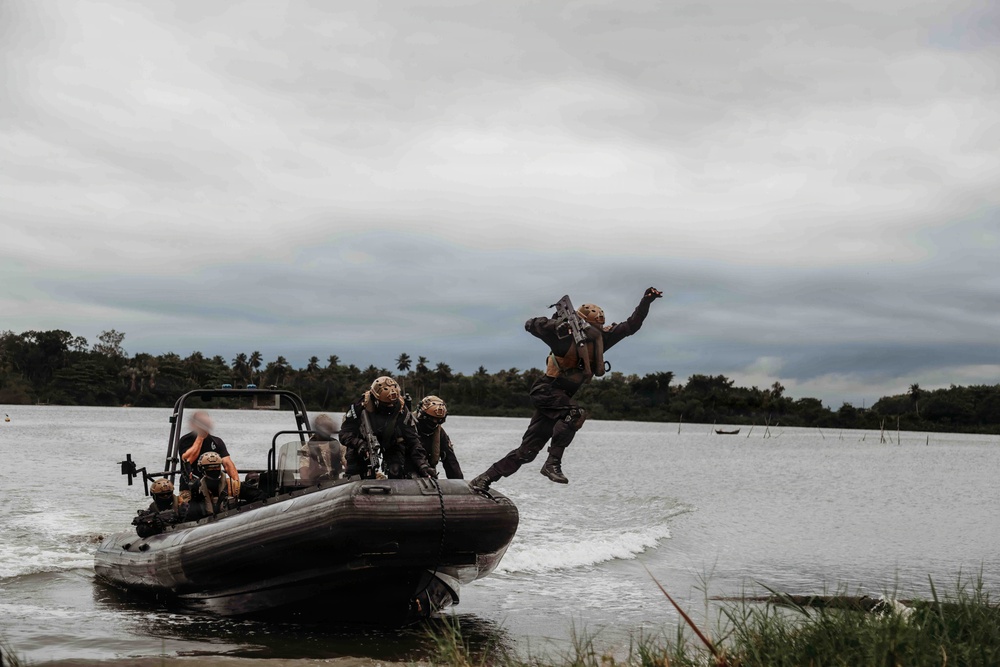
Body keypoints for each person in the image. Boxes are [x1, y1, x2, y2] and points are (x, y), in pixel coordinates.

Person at [471, 287, 663, 492]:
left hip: (559, 400)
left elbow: (631, 325)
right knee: (576, 413)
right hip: (545, 391)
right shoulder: (563, 337)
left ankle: (484, 478)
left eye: (598, 328)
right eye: (592, 327)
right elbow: (530, 324)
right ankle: (552, 463)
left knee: (527, 452)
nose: (596, 331)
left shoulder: (602, 340)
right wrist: (557, 325)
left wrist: (646, 301)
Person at [339, 376, 436, 480]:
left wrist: (423, 465)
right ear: (375, 400)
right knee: (355, 471)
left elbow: (413, 440)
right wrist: (359, 444)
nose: (390, 406)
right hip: (361, 443)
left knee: (396, 469)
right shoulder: (359, 407)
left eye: (393, 404)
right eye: (386, 404)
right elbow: (344, 434)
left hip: (391, 443)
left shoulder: (401, 409)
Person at [178, 410, 238, 491]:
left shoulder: (217, 441)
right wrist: (200, 437)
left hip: (213, 487)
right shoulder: (185, 440)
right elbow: (188, 460)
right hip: (190, 487)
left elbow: (228, 464)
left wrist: (236, 484)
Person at [409, 395, 463, 479]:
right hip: (407, 470)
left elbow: (451, 461)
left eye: (438, 420)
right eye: (431, 419)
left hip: (429, 472)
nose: (434, 423)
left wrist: (459, 482)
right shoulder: (408, 427)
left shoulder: (439, 433)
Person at [184, 451, 234, 521]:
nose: (214, 470)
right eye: (210, 468)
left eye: (216, 467)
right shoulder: (198, 488)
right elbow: (192, 514)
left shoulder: (230, 484)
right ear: (202, 469)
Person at [298, 413, 345, 483]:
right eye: (324, 428)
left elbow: (347, 463)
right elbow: (304, 474)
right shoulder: (305, 449)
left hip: (335, 484)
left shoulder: (338, 446)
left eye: (329, 428)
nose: (327, 431)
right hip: (316, 485)